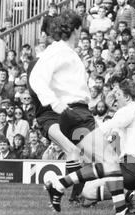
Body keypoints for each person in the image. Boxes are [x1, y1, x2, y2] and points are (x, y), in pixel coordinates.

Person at [45, 79, 135, 215]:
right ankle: (130, 201)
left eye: (119, 96)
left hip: (132, 167)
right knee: (97, 180)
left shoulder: (128, 111)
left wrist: (83, 142)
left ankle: (60, 184)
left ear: (127, 97)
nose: (116, 100)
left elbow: (104, 130)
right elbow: (115, 133)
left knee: (88, 189)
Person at [28, 9, 96, 203]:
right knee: (74, 152)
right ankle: (67, 193)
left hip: (63, 112)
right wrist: (55, 102)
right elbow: (36, 89)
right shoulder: (43, 60)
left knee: (85, 155)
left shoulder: (63, 55)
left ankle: (73, 194)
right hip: (48, 115)